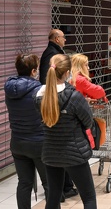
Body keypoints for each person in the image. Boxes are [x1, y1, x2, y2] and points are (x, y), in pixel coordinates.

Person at [34, 54, 97, 209]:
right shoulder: (74, 96)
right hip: (74, 153)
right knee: (88, 197)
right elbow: (88, 121)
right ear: (67, 72)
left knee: (54, 196)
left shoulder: (39, 96)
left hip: (50, 152)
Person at [4, 54, 48, 209]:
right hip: (38, 142)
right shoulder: (40, 90)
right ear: (33, 71)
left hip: (17, 142)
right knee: (49, 183)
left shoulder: (10, 89)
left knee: (24, 183)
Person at [39, 29, 77, 201]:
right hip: (56, 104)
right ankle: (63, 188)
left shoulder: (52, 52)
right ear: (56, 38)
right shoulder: (51, 55)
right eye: (63, 37)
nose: (65, 39)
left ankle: (64, 188)